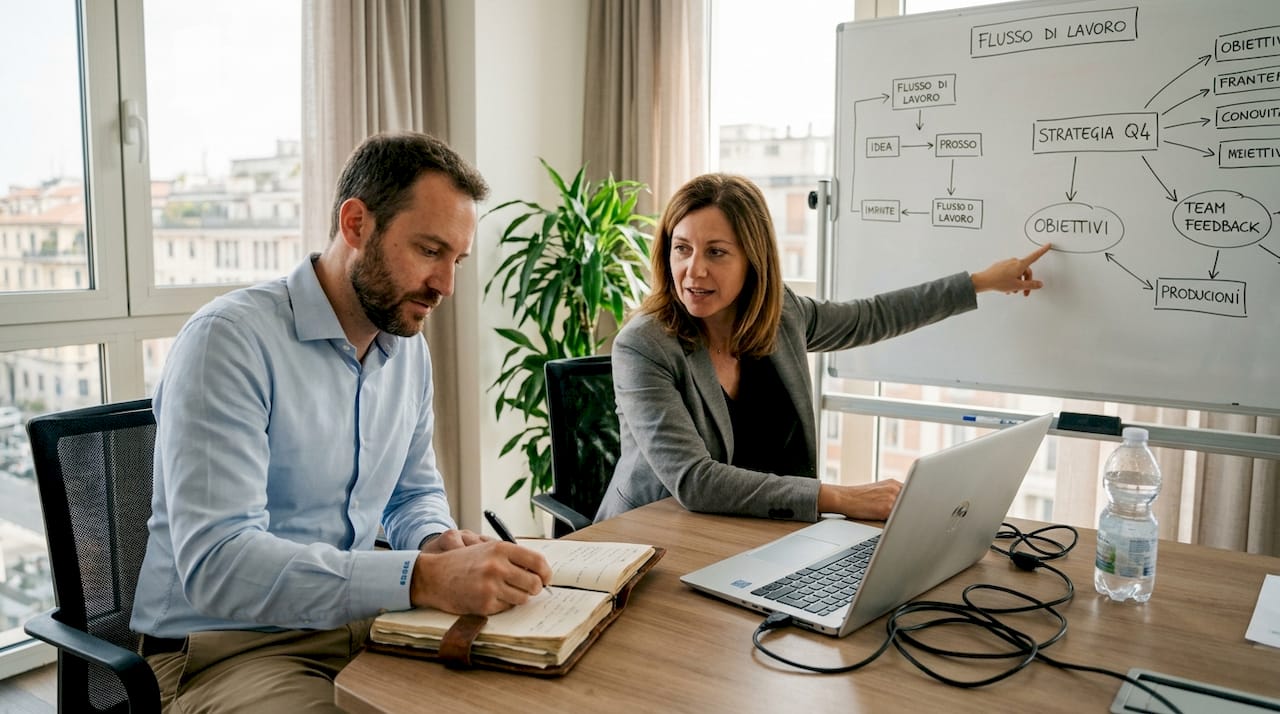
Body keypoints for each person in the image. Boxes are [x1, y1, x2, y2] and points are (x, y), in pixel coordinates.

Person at [131, 132, 553, 713]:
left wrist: (436, 541)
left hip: (363, 627)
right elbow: (220, 563)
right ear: (356, 224)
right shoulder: (228, 343)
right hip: (225, 650)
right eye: (430, 251)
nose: (446, 286)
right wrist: (424, 579)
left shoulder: (406, 351)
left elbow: (413, 493)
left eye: (456, 260)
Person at [596, 173, 1051, 524]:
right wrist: (839, 498)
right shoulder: (644, 346)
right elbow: (695, 482)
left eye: (716, 252)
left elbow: (872, 316)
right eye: (682, 249)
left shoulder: (783, 315)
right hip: (649, 545)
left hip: (749, 533)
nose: (693, 270)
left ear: (754, 260)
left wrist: (981, 282)